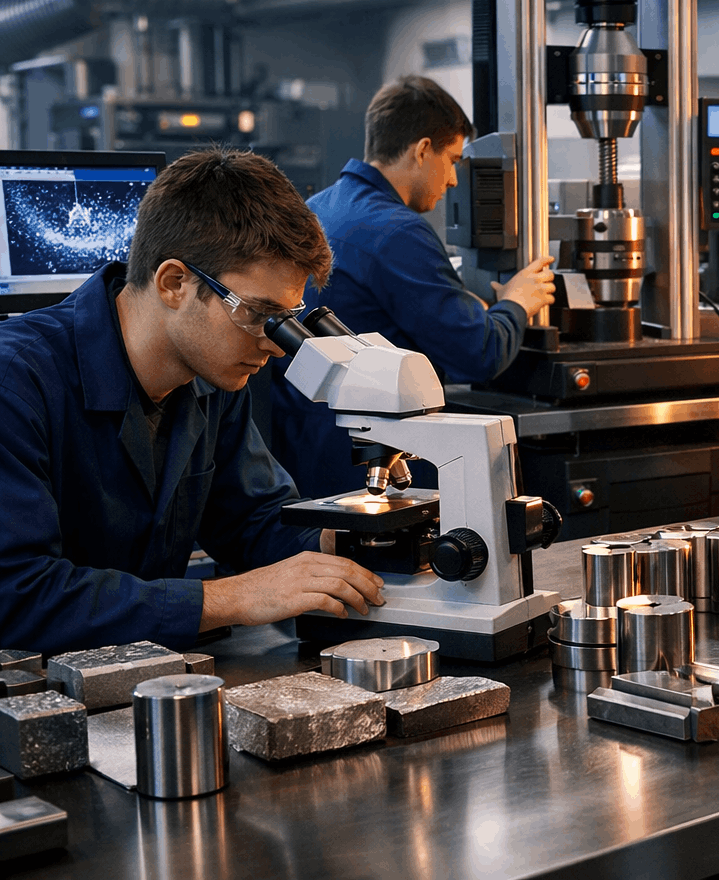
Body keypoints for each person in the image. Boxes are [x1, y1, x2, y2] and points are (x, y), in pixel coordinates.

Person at [0, 149, 385, 655]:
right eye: (258, 314)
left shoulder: (213, 379)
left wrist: (353, 542)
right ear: (174, 283)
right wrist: (226, 599)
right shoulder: (17, 382)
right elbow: (16, 594)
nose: (273, 343)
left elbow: (252, 522)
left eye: (287, 318)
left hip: (143, 679)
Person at [270, 75, 556, 498]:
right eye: (454, 159)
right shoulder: (398, 233)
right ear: (423, 150)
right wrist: (517, 302)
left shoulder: (318, 207)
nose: (455, 179)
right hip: (376, 465)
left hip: (307, 457)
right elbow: (480, 352)